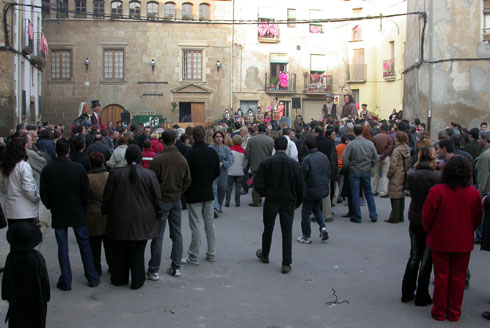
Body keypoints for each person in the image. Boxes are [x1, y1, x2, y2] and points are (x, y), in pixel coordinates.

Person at [422, 155, 482, 321]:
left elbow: (428, 216)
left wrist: (430, 231)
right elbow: (477, 217)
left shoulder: (437, 191)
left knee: (441, 277)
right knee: (458, 277)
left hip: (441, 238)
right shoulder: (474, 194)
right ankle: (454, 311)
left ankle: (440, 310)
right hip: (463, 240)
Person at [40, 139, 100, 290]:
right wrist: (83, 205)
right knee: (84, 244)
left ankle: (66, 280)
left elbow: (44, 193)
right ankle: (92, 276)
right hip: (77, 210)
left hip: (59, 211)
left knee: (62, 246)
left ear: (56, 151)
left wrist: (51, 206)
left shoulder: (48, 169)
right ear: (68, 151)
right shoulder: (78, 168)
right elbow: (85, 190)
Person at [101, 145, 162, 290]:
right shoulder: (149, 175)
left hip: (119, 217)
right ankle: (137, 279)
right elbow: (156, 197)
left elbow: (107, 197)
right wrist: (159, 212)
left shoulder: (116, 174)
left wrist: (104, 210)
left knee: (120, 250)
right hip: (143, 219)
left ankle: (119, 277)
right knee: (137, 251)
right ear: (140, 158)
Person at [255, 136, 305, 274]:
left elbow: (258, 184)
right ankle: (286, 263)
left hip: (272, 200)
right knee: (286, 232)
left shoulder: (267, 163)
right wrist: (298, 201)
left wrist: (266, 193)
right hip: (288, 201)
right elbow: (300, 186)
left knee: (268, 228)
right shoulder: (294, 164)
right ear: (286, 147)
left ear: (274, 147)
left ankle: (265, 254)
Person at [147, 130, 191, 280]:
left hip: (162, 200)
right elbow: (187, 180)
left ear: (162, 141)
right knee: (177, 233)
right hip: (176, 199)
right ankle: (176, 266)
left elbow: (150, 181)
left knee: (158, 235)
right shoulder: (182, 159)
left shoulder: (158, 159)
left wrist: (156, 196)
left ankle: (154, 269)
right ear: (175, 141)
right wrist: (179, 192)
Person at [401, 146, 441, 306]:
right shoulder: (438, 176)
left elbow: (408, 189)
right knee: (426, 258)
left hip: (415, 216)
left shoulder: (413, 174)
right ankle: (421, 294)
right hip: (431, 219)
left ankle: (407, 291)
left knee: (414, 255)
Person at [182, 126, 220, 265]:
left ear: (193, 137)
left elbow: (186, 175)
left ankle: (194, 255)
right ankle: (211, 253)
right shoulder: (212, 153)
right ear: (205, 136)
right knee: (209, 225)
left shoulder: (190, 154)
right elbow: (217, 172)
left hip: (194, 193)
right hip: (208, 192)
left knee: (196, 225)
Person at [2, 222, 50, 328]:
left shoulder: (11, 258)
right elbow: (44, 279)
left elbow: (7, 279)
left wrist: (6, 295)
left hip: (17, 301)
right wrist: (46, 296)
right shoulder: (37, 257)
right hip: (36, 300)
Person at [342, 125, 378, 223]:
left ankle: (357, 215)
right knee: (369, 193)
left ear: (354, 132)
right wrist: (370, 165)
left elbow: (345, 159)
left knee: (355, 194)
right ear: (362, 132)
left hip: (354, 170)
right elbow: (375, 158)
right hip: (365, 170)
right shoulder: (369, 144)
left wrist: (349, 167)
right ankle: (373, 214)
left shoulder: (351, 144)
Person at [0, 138, 40, 227]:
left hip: (11, 209)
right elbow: (28, 188)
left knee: (15, 236)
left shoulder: (5, 166)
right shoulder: (23, 166)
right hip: (25, 210)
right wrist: (36, 197)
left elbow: (2, 187)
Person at [298, 137, 330, 244]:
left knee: (306, 212)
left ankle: (307, 235)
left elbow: (303, 176)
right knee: (316, 209)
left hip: (311, 189)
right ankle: (323, 227)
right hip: (322, 187)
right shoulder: (324, 157)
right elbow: (328, 171)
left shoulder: (307, 159)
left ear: (306, 147)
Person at [86, 152, 109, 276]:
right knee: (109, 244)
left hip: (92, 215)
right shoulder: (109, 176)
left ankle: (96, 268)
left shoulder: (88, 178)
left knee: (94, 246)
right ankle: (112, 266)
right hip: (107, 214)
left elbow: (84, 197)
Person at [245, 124, 274, 207]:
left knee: (256, 182)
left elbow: (247, 153)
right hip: (268, 165)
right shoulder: (270, 140)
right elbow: (272, 153)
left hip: (255, 164)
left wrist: (250, 160)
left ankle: (256, 200)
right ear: (265, 130)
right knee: (267, 182)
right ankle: (268, 199)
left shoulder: (251, 140)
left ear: (258, 130)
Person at [385, 131, 411, 223]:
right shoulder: (407, 149)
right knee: (401, 194)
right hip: (403, 172)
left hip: (396, 174)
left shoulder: (396, 150)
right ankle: (400, 215)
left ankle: (394, 217)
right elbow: (408, 163)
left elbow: (393, 164)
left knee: (395, 195)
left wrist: (389, 174)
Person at [209, 131, 234, 218]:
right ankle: (215, 209)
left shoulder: (226, 149)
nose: (219, 138)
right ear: (214, 138)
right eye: (217, 137)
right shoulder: (210, 148)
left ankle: (219, 205)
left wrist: (223, 163)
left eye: (220, 137)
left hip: (223, 172)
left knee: (222, 189)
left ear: (223, 138)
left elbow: (231, 160)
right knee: (214, 190)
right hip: (212, 173)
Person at [372, 124, 393, 197]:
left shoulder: (375, 137)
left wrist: (376, 155)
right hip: (386, 157)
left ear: (380, 129)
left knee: (376, 174)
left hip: (377, 157)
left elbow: (372, 147)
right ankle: (384, 192)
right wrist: (383, 155)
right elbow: (390, 148)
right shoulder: (389, 137)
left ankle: (374, 190)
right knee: (385, 175)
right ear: (387, 130)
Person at [226, 135, 246, 207]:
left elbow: (227, 161)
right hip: (239, 171)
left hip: (230, 171)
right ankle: (237, 202)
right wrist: (242, 168)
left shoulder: (230, 151)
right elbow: (245, 163)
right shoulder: (243, 152)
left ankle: (227, 202)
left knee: (229, 187)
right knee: (238, 187)